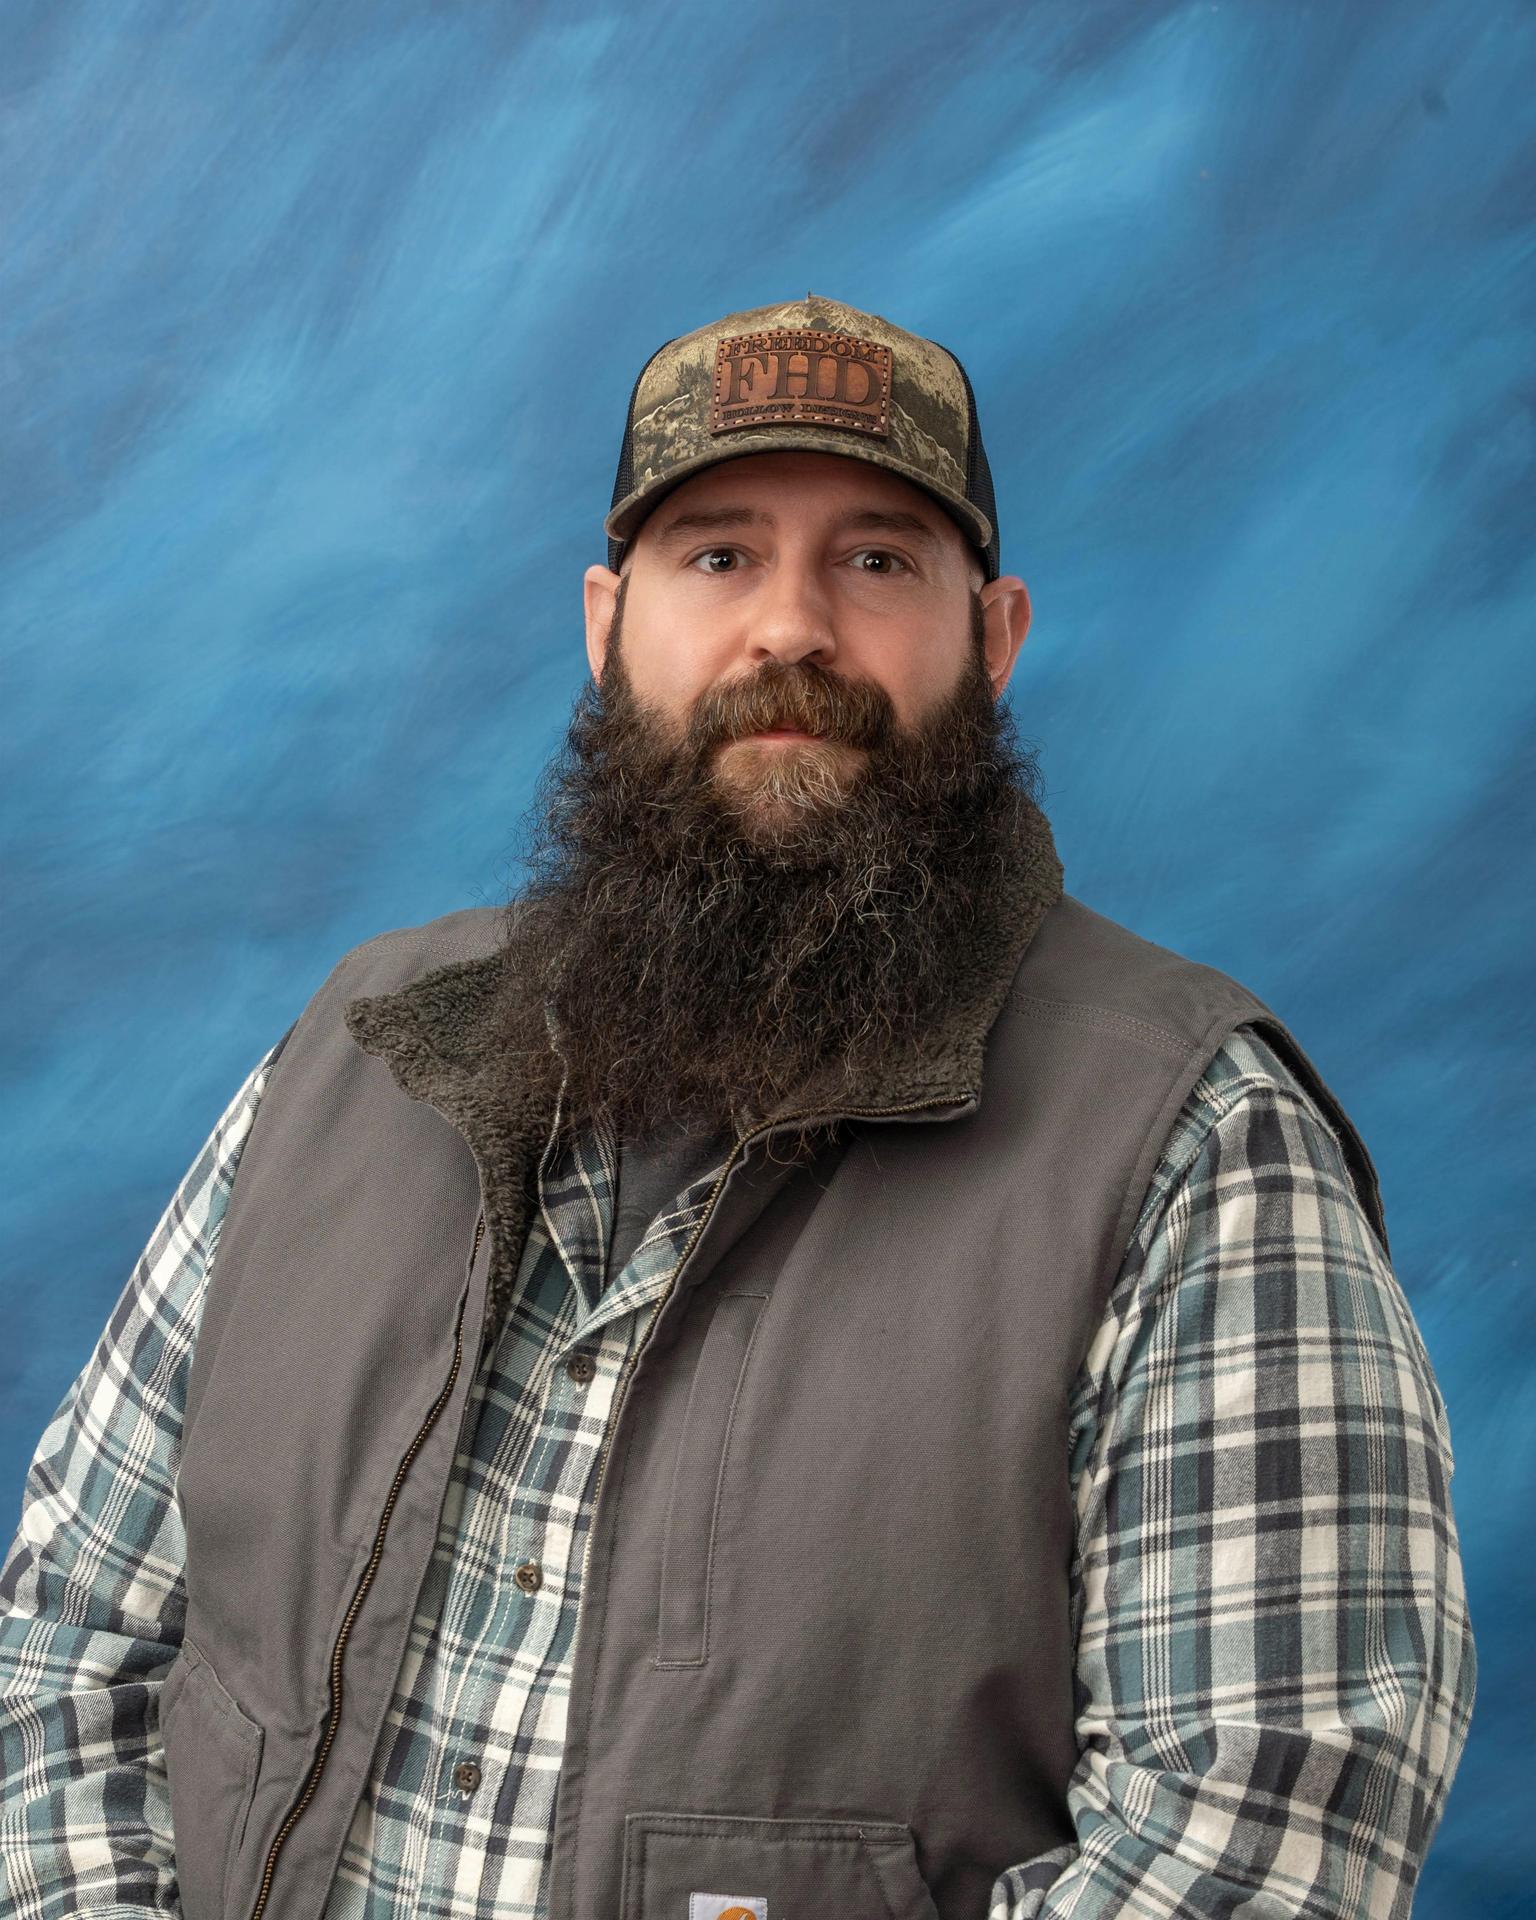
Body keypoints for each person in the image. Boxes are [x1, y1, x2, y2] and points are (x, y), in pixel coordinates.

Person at [0, 295, 1475, 1920]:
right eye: (716, 555)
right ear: (602, 622)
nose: (790, 628)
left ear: (994, 641)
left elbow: (1258, 1856)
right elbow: (70, 1644)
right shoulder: (347, 1055)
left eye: (878, 558)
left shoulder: (1198, 1153)